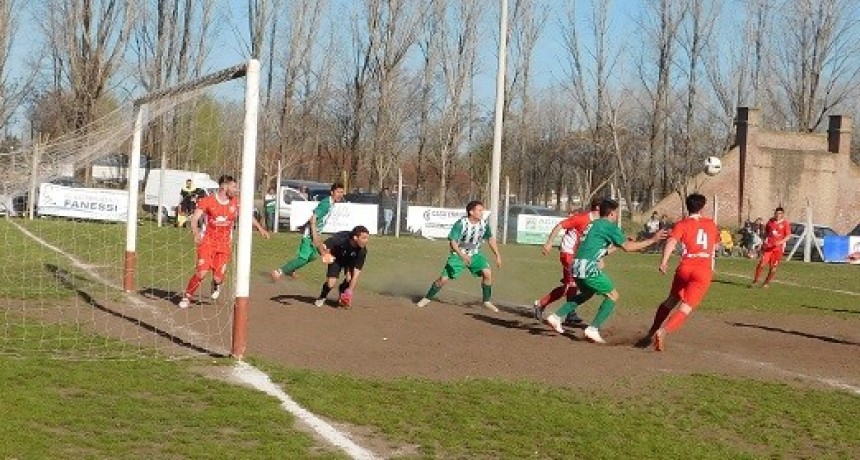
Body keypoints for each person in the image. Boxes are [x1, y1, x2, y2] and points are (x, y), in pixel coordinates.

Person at [543, 199, 666, 344]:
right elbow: (628, 247)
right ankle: (593, 328)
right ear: (612, 214)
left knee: (587, 293)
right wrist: (653, 240)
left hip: (576, 265)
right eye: (617, 213)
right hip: (588, 266)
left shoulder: (592, 225)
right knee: (613, 295)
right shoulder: (609, 226)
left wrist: (618, 245)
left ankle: (556, 317)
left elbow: (601, 250)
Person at [177, 175, 270, 309]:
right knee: (202, 272)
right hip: (208, 241)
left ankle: (216, 283)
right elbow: (194, 218)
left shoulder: (236, 202)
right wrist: (196, 232)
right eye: (234, 186)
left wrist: (260, 229)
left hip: (224, 244)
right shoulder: (207, 201)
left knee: (217, 278)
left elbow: (247, 216)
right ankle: (187, 296)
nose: (236, 189)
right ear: (224, 186)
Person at [644, 193, 719, 351]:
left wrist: (664, 262)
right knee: (686, 307)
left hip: (685, 267)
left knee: (671, 300)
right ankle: (663, 331)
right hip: (702, 269)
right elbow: (716, 246)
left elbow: (671, 241)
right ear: (702, 207)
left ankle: (652, 330)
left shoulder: (682, 224)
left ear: (687, 206)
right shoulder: (711, 224)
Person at [416, 200, 502, 312]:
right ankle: (427, 298)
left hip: (475, 254)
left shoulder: (484, 225)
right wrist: (462, 255)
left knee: (487, 273)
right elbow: (453, 242)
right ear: (471, 212)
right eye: (479, 210)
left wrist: (497, 255)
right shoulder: (461, 224)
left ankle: (486, 301)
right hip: (458, 254)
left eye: (483, 210)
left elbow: (490, 239)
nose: (482, 213)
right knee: (443, 279)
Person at [533, 196, 602, 325]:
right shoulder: (582, 218)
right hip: (568, 253)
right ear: (598, 207)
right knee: (571, 285)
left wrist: (598, 258)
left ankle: (570, 313)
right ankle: (540, 304)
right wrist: (549, 243)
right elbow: (560, 225)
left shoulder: (596, 223)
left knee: (573, 285)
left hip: (577, 256)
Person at [270, 182, 346, 281]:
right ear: (332, 192)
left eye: (342, 192)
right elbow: (313, 219)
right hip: (310, 234)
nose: (340, 195)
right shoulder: (326, 204)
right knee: (303, 258)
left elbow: (312, 218)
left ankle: (292, 268)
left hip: (314, 232)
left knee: (313, 256)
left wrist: (303, 226)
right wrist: (314, 236)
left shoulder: (331, 203)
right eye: (338, 192)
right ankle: (279, 271)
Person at [313, 225, 370, 308]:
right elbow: (322, 246)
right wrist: (325, 254)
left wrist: (349, 292)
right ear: (355, 237)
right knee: (330, 284)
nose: (366, 241)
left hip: (350, 260)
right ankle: (322, 297)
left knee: (350, 278)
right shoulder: (340, 239)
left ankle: (342, 291)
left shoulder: (362, 251)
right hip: (336, 258)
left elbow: (356, 274)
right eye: (364, 238)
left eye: (367, 238)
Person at [750, 207, 790, 288]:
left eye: (780, 214)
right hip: (768, 248)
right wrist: (763, 241)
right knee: (761, 264)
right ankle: (755, 280)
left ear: (782, 214)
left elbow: (788, 236)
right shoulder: (770, 222)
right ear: (774, 213)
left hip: (778, 249)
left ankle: (766, 283)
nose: (778, 215)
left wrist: (780, 242)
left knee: (773, 268)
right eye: (776, 213)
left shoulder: (785, 223)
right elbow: (766, 233)